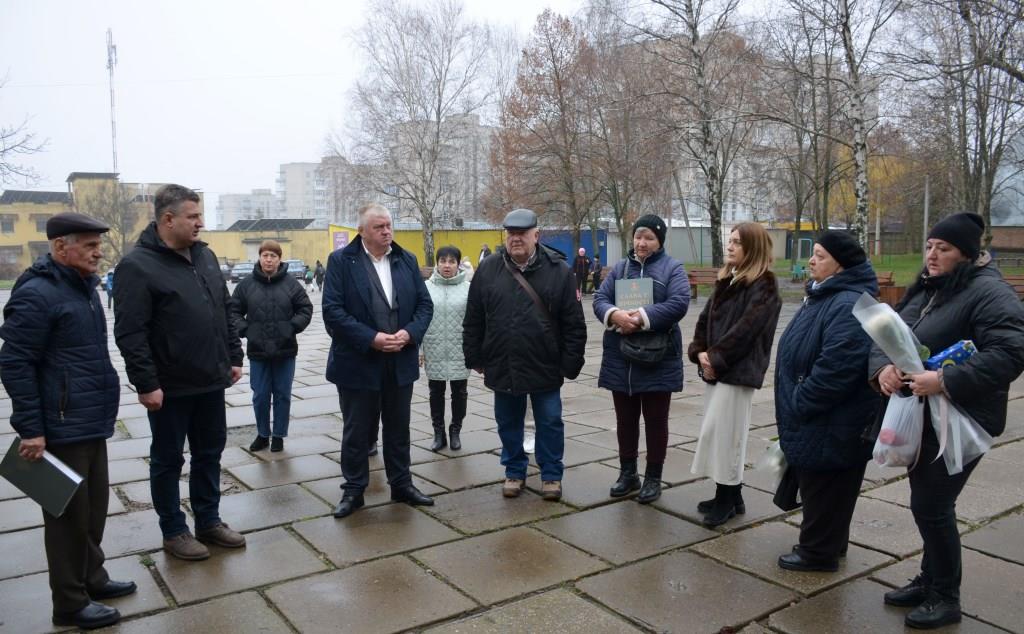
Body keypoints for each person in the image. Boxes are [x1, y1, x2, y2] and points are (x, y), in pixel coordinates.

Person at [868, 213, 1024, 629]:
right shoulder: (930, 287)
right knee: (928, 502)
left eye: (945, 249)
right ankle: (929, 578)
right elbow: (892, 330)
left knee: (932, 506)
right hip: (925, 415)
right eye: (930, 246)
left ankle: (945, 596)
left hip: (963, 418)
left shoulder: (990, 293)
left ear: (968, 256)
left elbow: (1010, 353)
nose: (932, 255)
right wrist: (883, 367)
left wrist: (943, 380)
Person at [0, 213, 134, 630]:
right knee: (66, 520)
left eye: (99, 245)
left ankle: (92, 578)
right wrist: (31, 428)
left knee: (93, 512)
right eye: (90, 245)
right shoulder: (38, 294)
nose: (99, 252)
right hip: (60, 425)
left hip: (89, 419)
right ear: (61, 247)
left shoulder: (82, 288)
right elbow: (14, 360)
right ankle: (70, 603)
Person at [113, 184, 246, 562]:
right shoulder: (136, 266)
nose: (201, 223)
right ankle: (173, 529)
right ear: (167, 219)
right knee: (169, 459)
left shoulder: (204, 256)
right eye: (193, 217)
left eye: (200, 215)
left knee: (210, 452)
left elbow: (224, 309)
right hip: (169, 387)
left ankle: (209, 520)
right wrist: (147, 383)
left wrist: (233, 356)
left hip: (210, 379)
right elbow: (130, 332)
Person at [463, 208, 587, 501]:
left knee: (550, 422)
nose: (516, 239)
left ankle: (551, 475)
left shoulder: (558, 271)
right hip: (502, 362)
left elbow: (574, 323)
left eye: (522, 233)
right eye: (511, 234)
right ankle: (514, 471)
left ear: (536, 235)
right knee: (508, 423)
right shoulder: (489, 269)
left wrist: (570, 363)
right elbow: (473, 319)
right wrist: (475, 358)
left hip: (545, 363)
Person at [774, 231, 879, 572]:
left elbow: (838, 367)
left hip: (830, 417)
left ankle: (818, 553)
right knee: (823, 485)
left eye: (819, 255)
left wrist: (800, 402)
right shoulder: (825, 296)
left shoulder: (847, 303)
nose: (811, 261)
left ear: (840, 264)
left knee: (827, 485)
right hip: (818, 416)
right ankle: (830, 542)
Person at [323, 203, 435, 519]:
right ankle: (354, 490)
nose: (387, 232)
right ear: (362, 232)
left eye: (389, 226)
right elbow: (333, 312)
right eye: (379, 227)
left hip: (400, 360)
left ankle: (401, 484)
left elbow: (424, 306)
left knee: (399, 428)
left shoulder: (406, 260)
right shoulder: (341, 262)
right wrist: (371, 338)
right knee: (357, 430)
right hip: (358, 362)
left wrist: (409, 334)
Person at [688, 222, 782, 527]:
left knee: (727, 436)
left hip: (738, 372)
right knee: (718, 434)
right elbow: (705, 319)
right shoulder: (728, 280)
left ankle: (727, 498)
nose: (730, 246)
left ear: (752, 249)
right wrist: (700, 351)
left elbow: (746, 331)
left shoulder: (763, 286)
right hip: (718, 371)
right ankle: (730, 493)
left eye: (737, 243)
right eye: (729, 241)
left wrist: (715, 358)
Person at [593, 214, 690, 503]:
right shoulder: (620, 268)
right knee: (625, 420)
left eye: (648, 237)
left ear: (659, 241)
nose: (641, 242)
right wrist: (615, 315)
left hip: (658, 357)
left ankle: (653, 477)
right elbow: (600, 299)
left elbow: (679, 302)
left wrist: (641, 318)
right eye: (638, 236)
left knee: (656, 421)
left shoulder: (673, 269)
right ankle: (628, 473)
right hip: (620, 358)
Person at [230, 240, 313, 453]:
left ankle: (279, 435)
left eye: (273, 256)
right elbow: (233, 311)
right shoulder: (246, 285)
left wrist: (291, 327)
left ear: (279, 259)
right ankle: (262, 434)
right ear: (259, 257)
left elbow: (305, 308)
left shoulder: (291, 284)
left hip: (285, 350)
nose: (269, 259)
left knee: (283, 394)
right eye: (265, 255)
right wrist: (246, 330)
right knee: (260, 395)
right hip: (258, 351)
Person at [421, 246, 471, 452]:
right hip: (434, 347)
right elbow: (418, 319)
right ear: (437, 263)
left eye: (452, 261)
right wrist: (418, 350)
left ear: (458, 264)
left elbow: (475, 320)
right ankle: (438, 433)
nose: (447, 265)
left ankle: (455, 431)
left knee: (460, 392)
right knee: (436, 392)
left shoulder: (468, 288)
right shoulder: (425, 287)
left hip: (460, 348)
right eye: (443, 261)